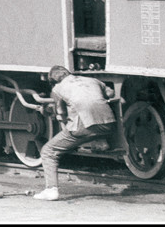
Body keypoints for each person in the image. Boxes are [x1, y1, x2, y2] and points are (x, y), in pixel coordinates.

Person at [34, 66, 116, 201]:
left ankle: (51, 190)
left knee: (48, 151)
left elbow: (60, 114)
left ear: (53, 81)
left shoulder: (57, 89)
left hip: (84, 126)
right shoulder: (92, 80)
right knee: (89, 130)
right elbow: (111, 93)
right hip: (108, 123)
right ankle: (100, 140)